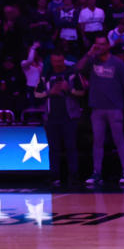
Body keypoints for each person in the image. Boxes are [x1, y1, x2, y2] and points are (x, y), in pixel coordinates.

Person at [76, 36, 124, 186]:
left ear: (108, 45)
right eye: (97, 44)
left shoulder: (117, 63)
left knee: (119, 140)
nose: (100, 47)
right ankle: (97, 173)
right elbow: (77, 69)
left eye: (102, 44)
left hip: (114, 107)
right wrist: (89, 53)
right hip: (97, 108)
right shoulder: (92, 61)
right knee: (97, 142)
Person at [33, 52, 82, 187]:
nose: (58, 64)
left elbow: (82, 91)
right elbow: (37, 94)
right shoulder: (46, 76)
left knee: (71, 147)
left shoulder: (72, 74)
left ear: (64, 60)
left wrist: (69, 90)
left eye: (60, 61)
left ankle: (73, 176)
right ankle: (55, 176)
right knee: (54, 148)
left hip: (69, 117)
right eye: (55, 61)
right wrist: (50, 92)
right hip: (51, 117)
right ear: (51, 61)